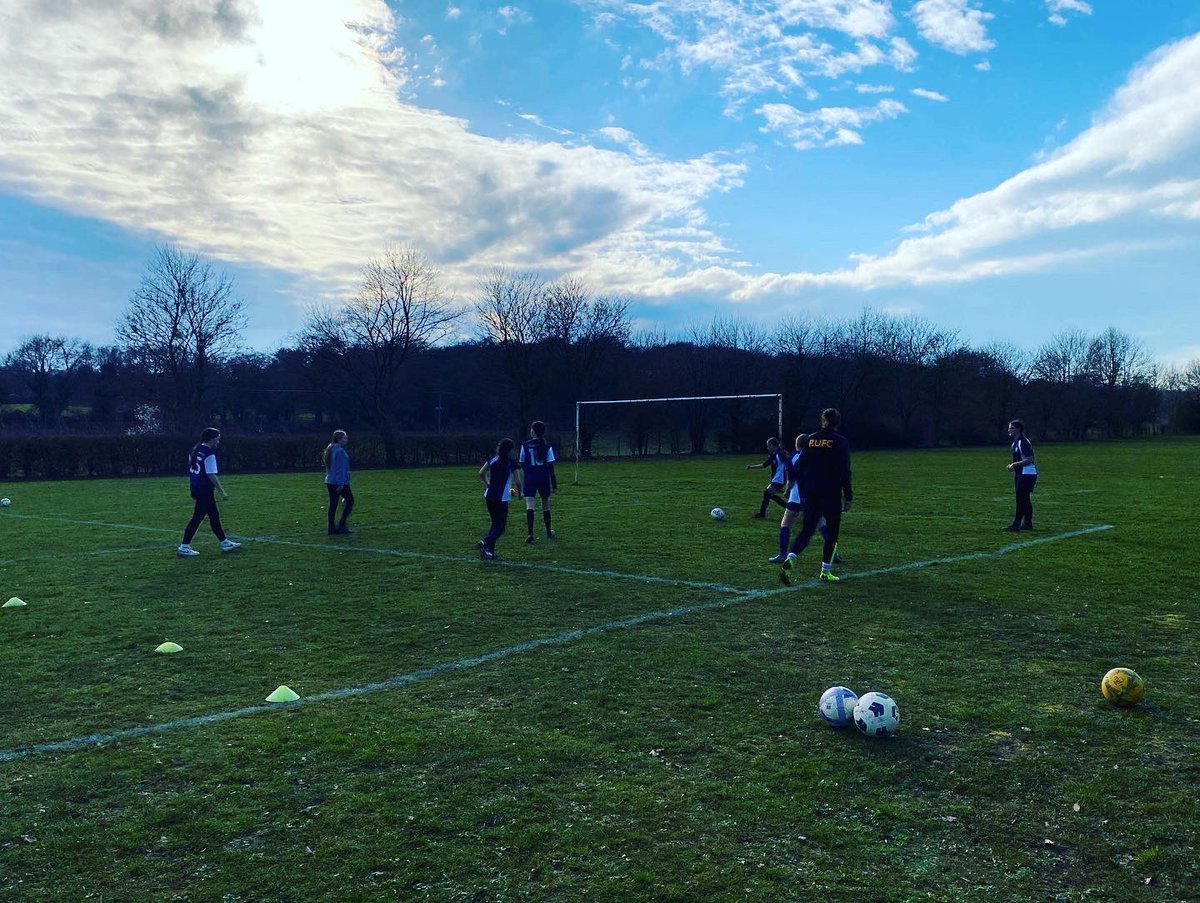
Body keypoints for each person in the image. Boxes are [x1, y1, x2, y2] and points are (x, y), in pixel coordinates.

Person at [780, 408, 851, 583]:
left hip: (811, 493)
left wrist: (801, 488)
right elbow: (845, 470)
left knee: (807, 530)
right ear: (837, 423)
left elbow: (799, 467)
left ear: (823, 421)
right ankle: (825, 571)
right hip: (831, 493)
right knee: (832, 534)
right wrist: (848, 496)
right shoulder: (840, 441)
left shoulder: (811, 439)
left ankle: (791, 557)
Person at [177, 427, 241, 557]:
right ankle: (184, 546)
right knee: (198, 518)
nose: (218, 442)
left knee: (213, 515)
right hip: (204, 490)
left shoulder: (195, 449)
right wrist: (222, 491)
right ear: (211, 439)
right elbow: (211, 474)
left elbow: (191, 465)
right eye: (217, 439)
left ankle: (224, 542)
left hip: (196, 487)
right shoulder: (209, 454)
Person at [478, 438, 523, 560]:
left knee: (495, 525)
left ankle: (489, 553)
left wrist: (488, 484)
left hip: (489, 496)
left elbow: (481, 473)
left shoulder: (493, 458)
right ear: (509, 450)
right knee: (501, 528)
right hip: (501, 499)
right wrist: (520, 494)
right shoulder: (511, 463)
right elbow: (518, 482)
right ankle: (485, 541)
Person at [519, 421, 557, 543]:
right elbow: (550, 467)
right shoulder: (547, 447)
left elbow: (522, 463)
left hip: (530, 478)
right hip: (543, 478)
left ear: (533, 431)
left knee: (530, 504)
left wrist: (528, 474)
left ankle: (530, 533)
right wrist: (554, 485)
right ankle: (548, 531)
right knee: (546, 504)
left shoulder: (525, 445)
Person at [1005, 419, 1037, 532]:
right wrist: (1013, 467)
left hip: (1027, 473)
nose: (1009, 430)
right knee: (1024, 498)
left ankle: (1017, 524)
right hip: (1021, 473)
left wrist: (1014, 464)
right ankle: (1027, 523)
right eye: (1009, 428)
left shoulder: (1022, 441)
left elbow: (1030, 459)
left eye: (1012, 428)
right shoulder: (1015, 443)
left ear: (1018, 429)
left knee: (1021, 499)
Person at [747, 437, 789, 519]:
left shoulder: (780, 454)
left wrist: (789, 478)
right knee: (769, 495)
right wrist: (751, 467)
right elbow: (764, 465)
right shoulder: (774, 455)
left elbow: (789, 463)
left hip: (780, 479)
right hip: (776, 479)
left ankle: (762, 514)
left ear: (773, 445)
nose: (767, 448)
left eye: (768, 446)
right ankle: (788, 507)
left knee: (767, 493)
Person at [323, 430, 354, 535]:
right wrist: (341, 483)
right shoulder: (340, 451)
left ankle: (331, 528)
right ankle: (342, 524)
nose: (346, 440)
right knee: (350, 502)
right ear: (339, 439)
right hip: (338, 482)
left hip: (330, 481)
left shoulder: (330, 448)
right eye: (345, 438)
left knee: (333, 505)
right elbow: (340, 469)